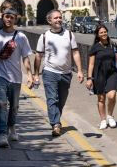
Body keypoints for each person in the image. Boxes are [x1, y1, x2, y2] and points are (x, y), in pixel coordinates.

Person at [0, 6, 34, 148]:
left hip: (16, 77)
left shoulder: (21, 37)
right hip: (0, 75)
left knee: (14, 106)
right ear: (3, 17)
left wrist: (30, 75)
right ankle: (2, 134)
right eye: (7, 16)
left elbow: (25, 57)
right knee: (1, 103)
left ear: (15, 19)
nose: (9, 19)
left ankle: (11, 126)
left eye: (12, 17)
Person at [34, 9, 85, 137]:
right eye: (56, 18)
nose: (59, 20)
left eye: (60, 17)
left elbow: (75, 52)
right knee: (52, 99)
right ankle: (55, 124)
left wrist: (79, 70)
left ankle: (56, 119)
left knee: (61, 100)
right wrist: (35, 74)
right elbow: (38, 56)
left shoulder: (69, 35)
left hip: (66, 73)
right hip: (50, 72)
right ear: (49, 21)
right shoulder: (44, 36)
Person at [86, 22, 117, 129]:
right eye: (101, 32)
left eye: (105, 32)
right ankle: (103, 120)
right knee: (101, 99)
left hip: (112, 73)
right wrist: (89, 78)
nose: (103, 34)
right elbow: (91, 64)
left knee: (111, 96)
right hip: (99, 75)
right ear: (97, 35)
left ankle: (110, 116)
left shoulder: (113, 45)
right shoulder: (95, 47)